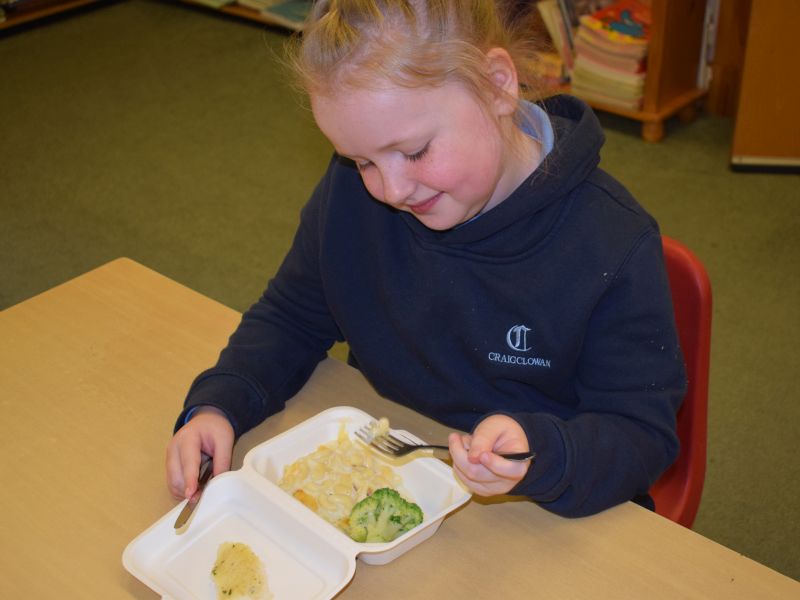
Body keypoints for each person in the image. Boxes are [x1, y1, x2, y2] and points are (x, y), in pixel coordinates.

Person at [166, 0, 687, 517]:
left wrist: (542, 452)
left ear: (498, 84)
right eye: (362, 160)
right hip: (390, 470)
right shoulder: (355, 190)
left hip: (540, 510)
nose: (391, 189)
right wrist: (221, 403)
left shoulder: (611, 243)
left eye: (415, 152)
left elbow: (640, 433)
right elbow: (292, 314)